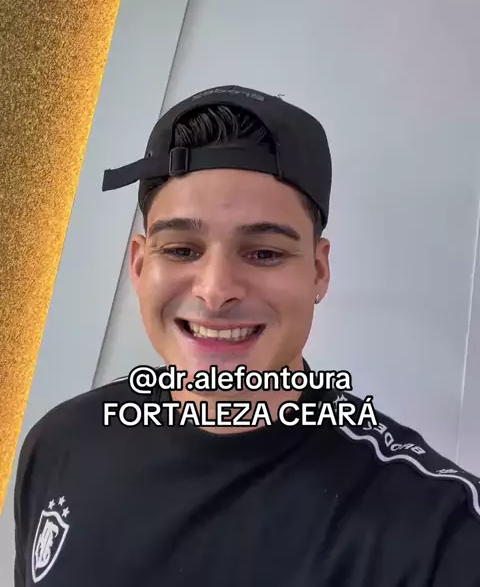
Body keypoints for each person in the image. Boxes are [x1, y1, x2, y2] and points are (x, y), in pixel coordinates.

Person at [14, 85, 480, 586]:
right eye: (181, 250)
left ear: (319, 271)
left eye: (264, 253)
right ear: (140, 264)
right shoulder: (61, 443)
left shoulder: (440, 534)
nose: (216, 292)